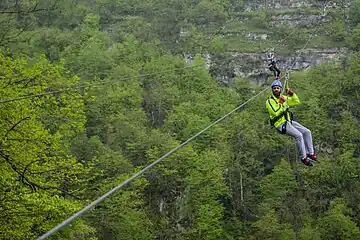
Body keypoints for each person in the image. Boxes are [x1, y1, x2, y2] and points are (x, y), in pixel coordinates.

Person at [266, 80, 317, 166]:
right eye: (274, 88)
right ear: (272, 90)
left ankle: (310, 153)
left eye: (278, 88)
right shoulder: (270, 101)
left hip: (288, 121)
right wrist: (281, 103)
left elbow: (296, 101)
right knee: (299, 135)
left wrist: (292, 94)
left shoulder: (283, 98)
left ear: (281, 89)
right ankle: (303, 158)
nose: (276, 90)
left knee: (307, 132)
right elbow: (275, 112)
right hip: (280, 124)